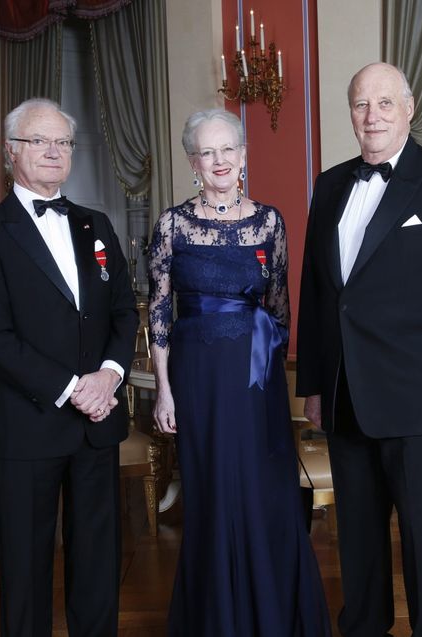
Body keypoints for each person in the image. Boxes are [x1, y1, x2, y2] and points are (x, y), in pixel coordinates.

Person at [297, 63, 422, 637]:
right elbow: (318, 293)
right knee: (356, 539)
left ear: (409, 110)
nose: (372, 116)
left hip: (419, 403)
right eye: (361, 104)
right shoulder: (330, 183)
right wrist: (313, 385)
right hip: (344, 397)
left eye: (385, 103)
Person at [148, 108, 331, 637]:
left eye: (228, 149)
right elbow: (160, 311)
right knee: (210, 492)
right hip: (197, 380)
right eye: (207, 151)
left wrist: (268, 373)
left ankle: (272, 615)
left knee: (261, 490)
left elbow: (280, 310)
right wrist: (165, 391)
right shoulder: (172, 224)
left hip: (256, 382)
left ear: (244, 156)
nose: (219, 160)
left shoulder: (269, 222)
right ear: (192, 162)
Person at [0, 98, 138, 637]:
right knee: (25, 564)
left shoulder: (96, 224)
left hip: (98, 422)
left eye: (62, 142)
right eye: (40, 141)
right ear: (11, 151)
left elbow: (126, 310)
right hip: (28, 425)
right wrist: (70, 388)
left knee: (98, 561)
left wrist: (109, 375)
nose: (53, 151)